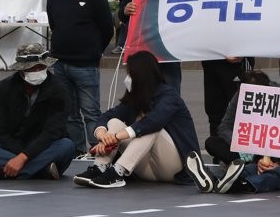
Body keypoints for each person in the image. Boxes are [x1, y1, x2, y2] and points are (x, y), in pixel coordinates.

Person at [186, 45, 280, 194]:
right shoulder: (274, 92)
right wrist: (263, 157)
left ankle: (240, 184)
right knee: (252, 168)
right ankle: (212, 179)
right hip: (271, 155)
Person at [72, 51, 200, 189]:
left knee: (148, 128)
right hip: (147, 170)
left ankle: (117, 172)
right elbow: (107, 116)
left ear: (141, 74)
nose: (127, 77)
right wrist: (103, 136)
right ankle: (100, 167)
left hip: (175, 168)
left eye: (130, 73)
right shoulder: (134, 97)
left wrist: (115, 137)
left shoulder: (169, 95)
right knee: (114, 122)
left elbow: (153, 122)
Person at [46, 0, 115, 157]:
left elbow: (107, 29)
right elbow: (54, 26)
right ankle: (76, 152)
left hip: (86, 65)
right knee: (68, 113)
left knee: (91, 112)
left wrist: (94, 51)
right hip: (60, 64)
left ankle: (98, 152)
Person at [0, 43, 73, 180]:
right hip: (11, 146)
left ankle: (1, 171)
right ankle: (40, 171)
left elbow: (53, 131)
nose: (38, 71)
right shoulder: (4, 88)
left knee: (67, 146)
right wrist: (20, 155)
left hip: (43, 146)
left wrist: (24, 157)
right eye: (32, 68)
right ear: (21, 71)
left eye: (41, 67)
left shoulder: (59, 89)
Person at [201, 0, 257, 136]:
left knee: (238, 110)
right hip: (212, 56)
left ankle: (239, 156)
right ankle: (218, 154)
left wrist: (245, 49)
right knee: (214, 110)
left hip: (238, 60)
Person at [188, 69, 272, 192]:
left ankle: (229, 173)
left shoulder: (277, 97)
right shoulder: (240, 96)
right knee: (211, 142)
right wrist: (241, 144)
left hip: (266, 151)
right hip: (242, 150)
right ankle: (232, 169)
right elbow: (224, 127)